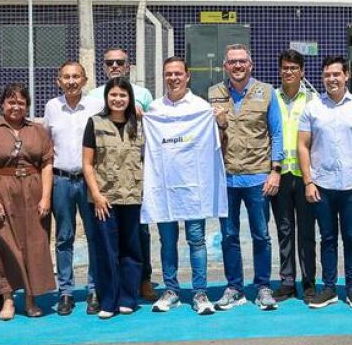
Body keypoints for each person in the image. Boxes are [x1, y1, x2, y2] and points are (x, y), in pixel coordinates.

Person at [0, 83, 55, 320]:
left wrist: (46, 197)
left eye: (20, 102)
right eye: (11, 101)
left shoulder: (37, 130)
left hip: (33, 191)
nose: (16, 106)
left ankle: (30, 299)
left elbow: (47, 164)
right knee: (4, 247)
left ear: (27, 105)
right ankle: (8, 299)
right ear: (2, 104)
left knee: (34, 245)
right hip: (0, 191)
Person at [209, 44, 282, 311]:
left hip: (257, 176)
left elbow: (276, 132)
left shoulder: (266, 92)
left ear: (250, 65)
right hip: (225, 177)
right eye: (232, 62)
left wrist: (275, 170)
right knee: (228, 235)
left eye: (242, 61)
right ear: (225, 66)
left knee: (261, 235)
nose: (237, 66)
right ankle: (234, 288)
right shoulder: (213, 93)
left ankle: (263, 286)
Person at [146, 56, 221, 315]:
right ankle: (172, 291)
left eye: (178, 73)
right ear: (163, 76)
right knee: (167, 242)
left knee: (197, 240)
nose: (174, 78)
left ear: (187, 76)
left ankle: (200, 292)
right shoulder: (154, 110)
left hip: (193, 187)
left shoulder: (201, 107)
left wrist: (218, 120)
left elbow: (214, 142)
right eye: (169, 74)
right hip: (164, 187)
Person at [298, 56, 352, 309]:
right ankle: (329, 288)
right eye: (327, 75)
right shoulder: (312, 107)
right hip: (322, 184)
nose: (332, 79)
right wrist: (308, 181)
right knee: (327, 238)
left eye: (336, 74)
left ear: (346, 75)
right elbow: (303, 145)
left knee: (351, 237)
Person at [89, 47, 156, 300]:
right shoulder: (93, 95)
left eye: (120, 62)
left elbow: (153, 129)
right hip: (107, 181)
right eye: (110, 62)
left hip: (136, 179)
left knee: (141, 234)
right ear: (104, 66)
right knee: (104, 237)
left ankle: (143, 280)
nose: (115, 65)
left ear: (128, 65)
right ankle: (103, 287)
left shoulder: (144, 94)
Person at [43, 61, 104, 315]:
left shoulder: (96, 106)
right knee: (64, 237)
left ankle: (94, 289)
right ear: (59, 80)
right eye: (66, 77)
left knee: (94, 236)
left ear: (85, 79)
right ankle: (65, 292)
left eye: (76, 76)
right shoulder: (51, 107)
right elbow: (46, 146)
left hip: (89, 181)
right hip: (61, 181)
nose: (71, 81)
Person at [82, 78, 145, 319]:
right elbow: (87, 164)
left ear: (130, 98)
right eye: (113, 95)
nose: (118, 99)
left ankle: (128, 298)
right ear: (107, 97)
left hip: (132, 197)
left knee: (131, 249)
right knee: (106, 251)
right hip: (104, 199)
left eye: (123, 95)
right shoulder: (95, 123)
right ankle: (108, 300)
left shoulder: (139, 124)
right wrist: (96, 196)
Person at [270, 49, 317, 303]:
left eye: (293, 68)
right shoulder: (271, 98)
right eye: (285, 68)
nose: (288, 72)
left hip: (304, 176)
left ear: (302, 72)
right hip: (280, 174)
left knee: (307, 232)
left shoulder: (312, 99)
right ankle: (287, 282)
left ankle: (309, 283)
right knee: (284, 230)